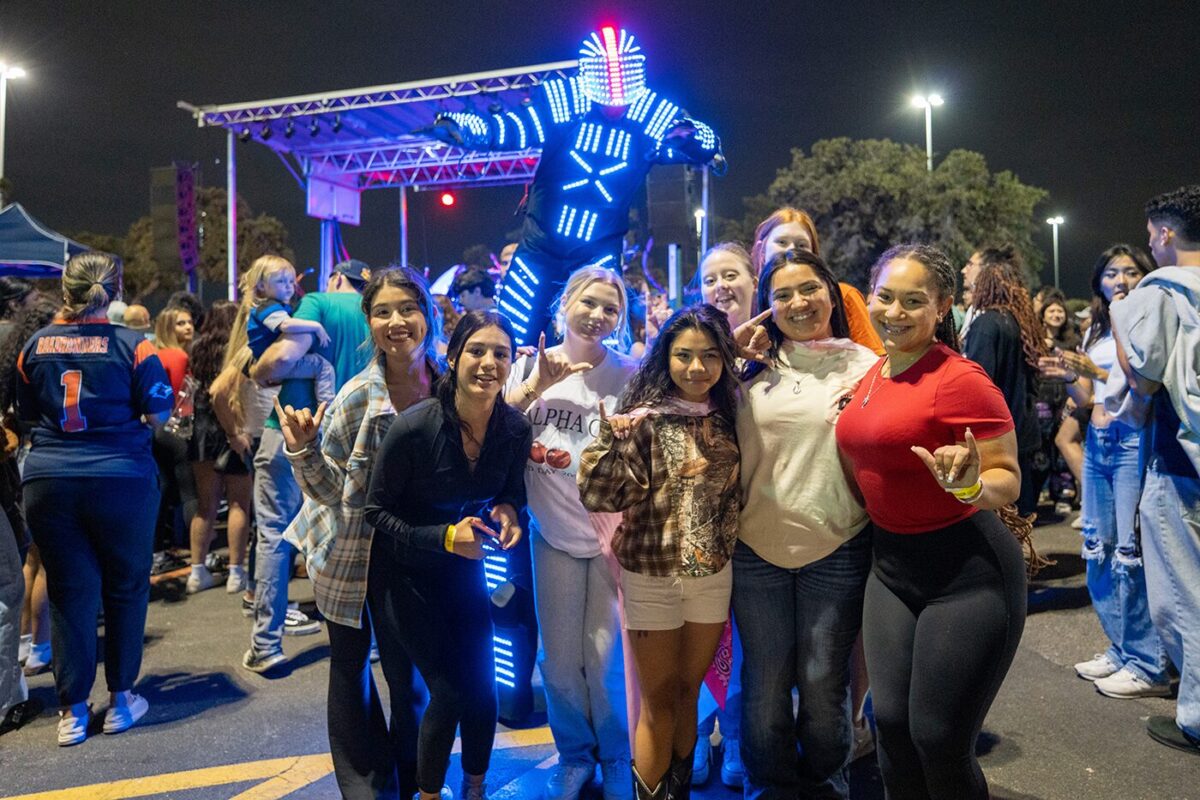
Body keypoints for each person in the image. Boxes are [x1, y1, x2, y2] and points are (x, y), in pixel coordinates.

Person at [836, 244, 1028, 799]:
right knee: (891, 729)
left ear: (942, 306)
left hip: (967, 575)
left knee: (939, 739)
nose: (895, 312)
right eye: (885, 297)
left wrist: (968, 485)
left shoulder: (960, 379)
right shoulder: (876, 371)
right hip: (891, 571)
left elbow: (1008, 478)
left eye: (913, 301)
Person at [278, 266, 444, 799]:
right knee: (350, 667)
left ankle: (416, 776)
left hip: (413, 552)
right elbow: (325, 490)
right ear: (369, 323)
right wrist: (302, 449)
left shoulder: (448, 387)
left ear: (428, 316)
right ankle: (366, 786)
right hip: (347, 548)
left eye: (408, 309)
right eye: (382, 312)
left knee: (407, 673)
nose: (397, 322)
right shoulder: (358, 396)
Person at [364, 310, 532, 800]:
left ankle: (474, 789)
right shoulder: (416, 427)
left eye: (500, 353)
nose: (488, 363)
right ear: (454, 357)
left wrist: (509, 511)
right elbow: (376, 511)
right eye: (477, 351)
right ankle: (430, 794)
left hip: (463, 575)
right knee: (451, 690)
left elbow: (511, 493)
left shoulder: (514, 429)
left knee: (485, 690)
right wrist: (442, 537)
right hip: (406, 577)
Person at [578, 305, 741, 800]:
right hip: (650, 575)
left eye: (710, 356)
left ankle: (679, 791)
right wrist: (609, 440)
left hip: (713, 576)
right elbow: (600, 497)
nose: (697, 368)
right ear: (664, 359)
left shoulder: (734, 414)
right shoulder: (643, 421)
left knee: (688, 693)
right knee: (656, 700)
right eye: (684, 356)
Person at [733, 249, 877, 799]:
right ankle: (766, 786)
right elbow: (681, 386)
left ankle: (827, 786)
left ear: (832, 294)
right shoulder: (748, 368)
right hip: (755, 548)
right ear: (766, 307)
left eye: (809, 289)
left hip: (837, 545)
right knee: (765, 686)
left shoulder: (866, 366)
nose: (798, 303)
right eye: (782, 294)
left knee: (823, 685)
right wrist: (731, 351)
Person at [16, 252, 175, 746]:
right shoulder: (135, 346)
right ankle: (122, 699)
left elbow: (24, 420)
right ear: (114, 289)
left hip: (49, 481)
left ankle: (72, 711)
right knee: (126, 587)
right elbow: (158, 417)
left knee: (68, 591)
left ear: (66, 288)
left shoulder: (34, 346)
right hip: (120, 478)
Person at [503, 265, 636, 800]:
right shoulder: (529, 365)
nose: (598, 315)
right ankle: (575, 755)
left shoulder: (632, 372)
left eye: (611, 308)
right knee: (557, 660)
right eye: (589, 303)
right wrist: (538, 385)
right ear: (565, 305)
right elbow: (497, 427)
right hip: (549, 533)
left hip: (611, 537)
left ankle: (618, 756)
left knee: (605, 660)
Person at [1040, 244, 1170, 698]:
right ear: (1099, 280)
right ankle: (1120, 647)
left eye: (1130, 271)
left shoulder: (1149, 317)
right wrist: (1069, 375)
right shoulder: (1096, 324)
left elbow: (1143, 384)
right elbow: (1090, 397)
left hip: (1133, 439)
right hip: (1099, 441)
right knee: (1098, 545)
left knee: (1130, 553)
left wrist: (1092, 367)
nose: (1120, 279)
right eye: (1112, 272)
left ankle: (1149, 662)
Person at [243, 256, 372, 672]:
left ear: (336, 278)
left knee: (275, 535)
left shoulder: (317, 302)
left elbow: (280, 360)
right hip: (356, 437)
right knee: (357, 535)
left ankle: (266, 645)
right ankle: (365, 640)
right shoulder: (377, 312)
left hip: (291, 429)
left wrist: (256, 371)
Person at [1109, 185, 1200, 754]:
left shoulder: (1162, 292)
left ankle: (1195, 715)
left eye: (1150, 235)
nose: (1149, 244)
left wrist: (1122, 317)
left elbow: (1143, 375)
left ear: (1165, 233)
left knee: (1185, 597)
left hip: (1180, 465)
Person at [692, 243, 756, 788]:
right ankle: (695, 735)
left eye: (731, 274)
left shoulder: (774, 348)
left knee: (743, 637)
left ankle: (734, 738)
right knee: (702, 633)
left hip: (757, 522)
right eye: (710, 279)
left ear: (753, 280)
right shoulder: (690, 344)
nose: (720, 286)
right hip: (696, 526)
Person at [961, 245, 1045, 516]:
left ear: (987, 271)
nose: (965, 269)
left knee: (1003, 523)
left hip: (997, 440)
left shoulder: (987, 323)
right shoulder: (1015, 318)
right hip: (1019, 431)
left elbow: (977, 385)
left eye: (971, 263)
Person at [183, 301, 252, 595]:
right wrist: (236, 432)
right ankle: (236, 572)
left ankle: (196, 572)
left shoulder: (197, 348)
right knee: (239, 503)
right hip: (232, 427)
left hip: (201, 431)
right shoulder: (240, 350)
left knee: (205, 504)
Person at [749, 207, 884, 355]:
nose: (791, 250)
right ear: (762, 250)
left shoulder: (842, 295)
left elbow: (875, 362)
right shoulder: (752, 303)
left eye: (802, 245)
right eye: (782, 242)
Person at [247, 256, 336, 405]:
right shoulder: (266, 307)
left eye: (291, 281)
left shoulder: (279, 306)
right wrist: (317, 326)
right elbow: (286, 325)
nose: (289, 286)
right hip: (270, 362)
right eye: (281, 281)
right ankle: (328, 413)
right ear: (262, 286)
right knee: (323, 367)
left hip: (271, 364)